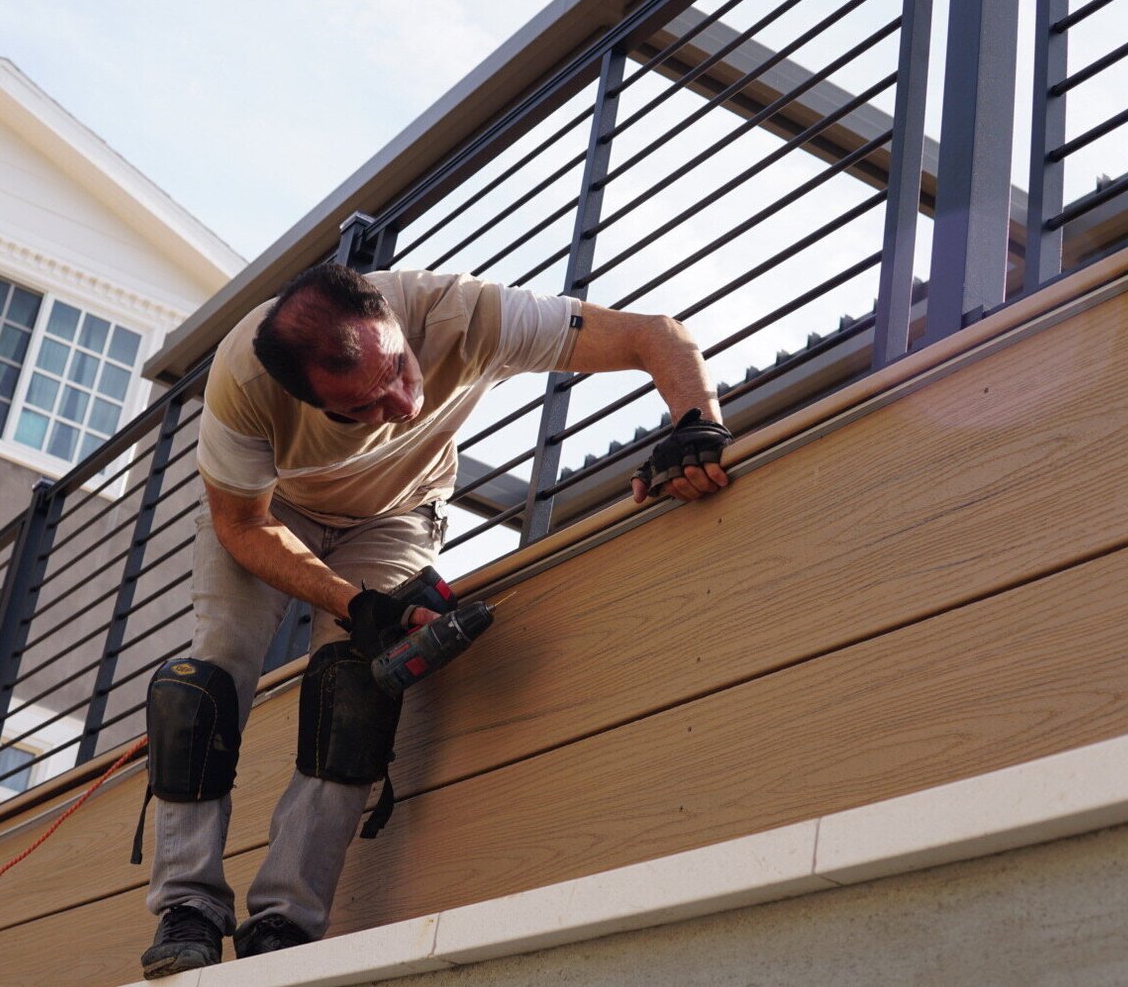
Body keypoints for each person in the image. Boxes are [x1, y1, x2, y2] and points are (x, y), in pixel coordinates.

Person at [138, 263, 731, 978]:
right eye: (362, 408)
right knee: (203, 682)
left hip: (398, 514)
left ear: (388, 316)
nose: (403, 404)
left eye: (399, 369)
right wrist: (354, 602)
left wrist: (695, 424)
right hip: (274, 515)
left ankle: (283, 920)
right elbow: (242, 524)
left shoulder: (466, 315)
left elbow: (650, 335)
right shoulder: (245, 382)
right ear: (304, 396)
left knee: (356, 688)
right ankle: (188, 905)